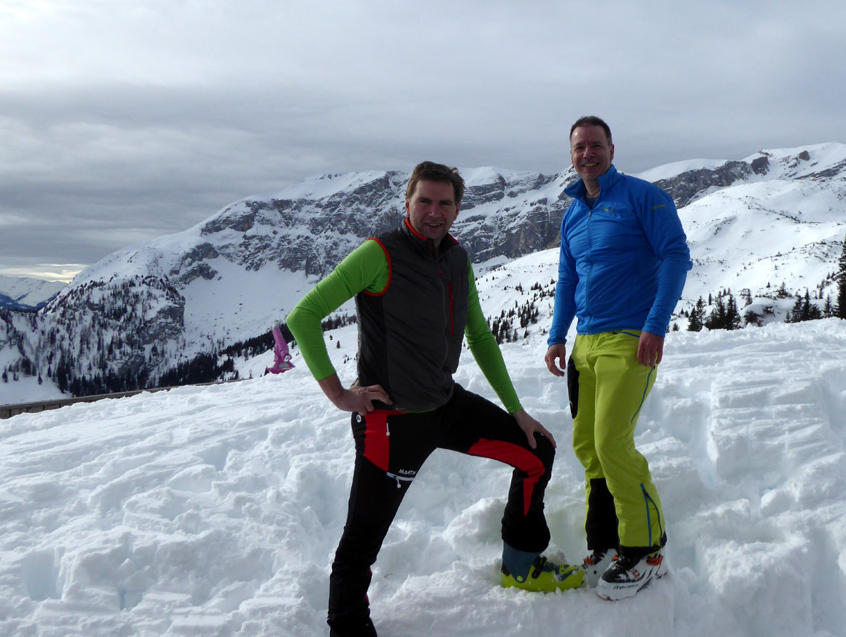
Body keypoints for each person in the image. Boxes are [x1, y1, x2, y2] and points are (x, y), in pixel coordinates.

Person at [288, 161, 582, 637]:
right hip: (391, 421)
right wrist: (340, 394)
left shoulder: (456, 259)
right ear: (407, 202)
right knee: (362, 541)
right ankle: (347, 624)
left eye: (445, 203)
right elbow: (303, 316)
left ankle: (522, 564)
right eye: (424, 200)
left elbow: (480, 336)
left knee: (537, 451)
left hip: (445, 406)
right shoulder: (379, 254)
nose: (434, 211)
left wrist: (517, 411)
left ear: (457, 209)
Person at [544, 116, 691, 601]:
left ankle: (646, 550)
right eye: (579, 147)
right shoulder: (573, 214)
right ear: (571, 155)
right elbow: (568, 279)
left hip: (630, 339)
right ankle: (606, 544)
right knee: (589, 447)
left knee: (612, 443)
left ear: (612, 149)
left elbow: (675, 256)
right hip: (585, 344)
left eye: (595, 145)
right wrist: (557, 336)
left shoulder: (643, 197)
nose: (587, 153)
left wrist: (656, 324)